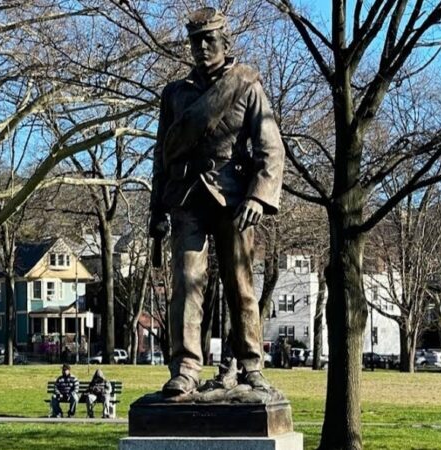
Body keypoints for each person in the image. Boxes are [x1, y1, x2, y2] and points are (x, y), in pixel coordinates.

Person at [149, 7, 285, 397]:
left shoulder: (246, 86)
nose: (202, 47)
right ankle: (186, 369)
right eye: (196, 41)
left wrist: (259, 196)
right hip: (187, 197)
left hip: (234, 198)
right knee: (186, 283)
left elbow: (271, 149)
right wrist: (157, 209)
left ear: (226, 43)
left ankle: (251, 365)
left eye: (210, 40)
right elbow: (163, 155)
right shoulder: (175, 95)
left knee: (240, 285)